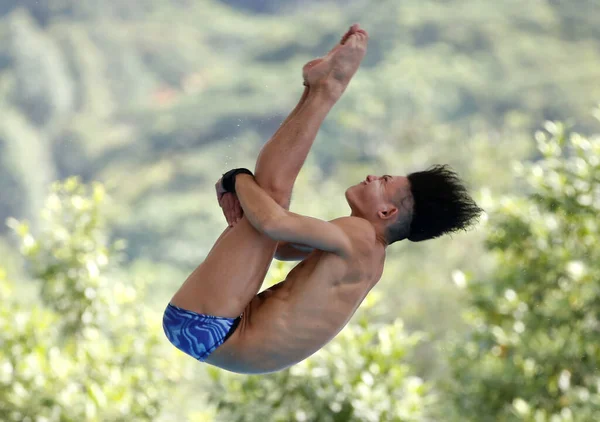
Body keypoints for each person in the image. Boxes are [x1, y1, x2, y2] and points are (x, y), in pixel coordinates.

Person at [163, 24, 483, 374]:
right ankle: (321, 89)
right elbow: (282, 243)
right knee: (270, 198)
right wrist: (247, 212)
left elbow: (273, 223)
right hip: (210, 332)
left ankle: (326, 89)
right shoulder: (367, 255)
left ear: (387, 210)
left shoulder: (359, 236)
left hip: (210, 326)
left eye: (385, 181)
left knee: (271, 195)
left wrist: (237, 179)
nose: (373, 176)